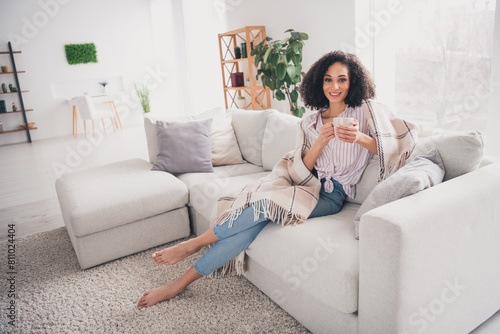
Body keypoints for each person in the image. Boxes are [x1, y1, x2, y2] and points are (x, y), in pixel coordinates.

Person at [137, 50, 379, 310]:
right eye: (328, 80)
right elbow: (303, 169)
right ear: (320, 83)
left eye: (342, 79)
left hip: (331, 197)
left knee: (263, 206)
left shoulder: (364, 114)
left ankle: (194, 244)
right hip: (304, 184)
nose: (335, 86)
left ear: (353, 81)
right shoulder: (310, 122)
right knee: (254, 219)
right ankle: (179, 284)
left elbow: (394, 146)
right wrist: (320, 142)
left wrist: (360, 139)